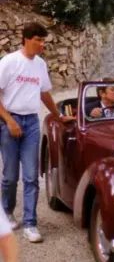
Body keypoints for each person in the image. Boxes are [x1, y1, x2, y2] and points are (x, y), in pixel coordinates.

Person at [0, 22, 74, 242]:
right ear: (26, 39)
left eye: (44, 41)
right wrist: (9, 120)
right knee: (10, 176)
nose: (42, 45)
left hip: (32, 122)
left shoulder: (40, 65)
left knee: (32, 176)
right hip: (9, 122)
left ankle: (30, 224)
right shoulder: (9, 62)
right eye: (38, 40)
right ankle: (7, 213)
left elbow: (44, 93)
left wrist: (58, 114)